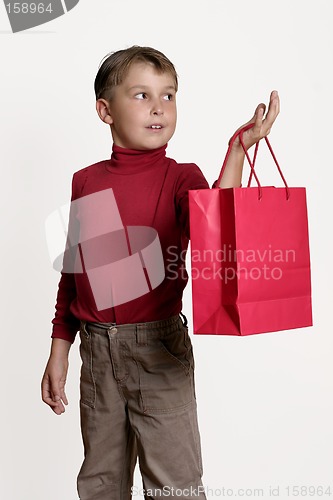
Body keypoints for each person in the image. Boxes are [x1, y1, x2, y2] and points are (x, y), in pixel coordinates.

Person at [41, 46, 279, 500]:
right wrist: (59, 350)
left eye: (169, 95)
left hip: (158, 350)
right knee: (100, 483)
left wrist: (237, 149)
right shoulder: (86, 181)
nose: (158, 107)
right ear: (104, 111)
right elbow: (74, 273)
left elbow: (218, 225)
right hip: (97, 354)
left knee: (175, 487)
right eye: (142, 95)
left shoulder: (180, 178)